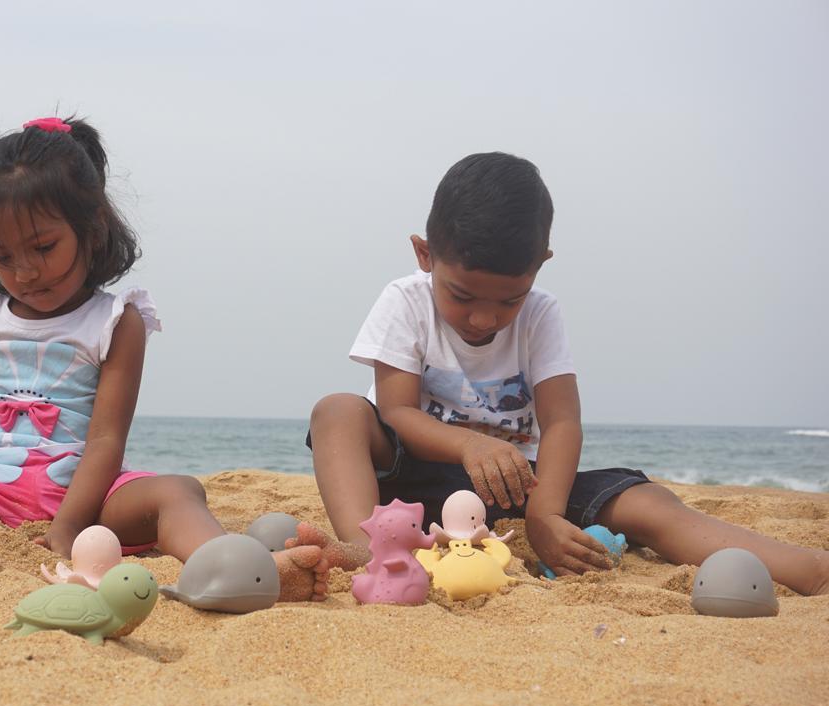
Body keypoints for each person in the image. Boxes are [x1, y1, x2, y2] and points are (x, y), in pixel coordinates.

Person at [0, 116, 328, 599]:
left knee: (178, 490)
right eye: (2, 255)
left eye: (43, 246)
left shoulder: (115, 321)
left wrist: (69, 524)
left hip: (90, 497)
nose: (25, 271)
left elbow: (107, 436)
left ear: (91, 229)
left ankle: (238, 568)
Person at [297, 152, 829, 595]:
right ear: (425, 254)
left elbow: (561, 423)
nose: (484, 318)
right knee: (337, 410)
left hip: (518, 488)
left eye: (509, 300)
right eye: (461, 297)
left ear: (540, 265)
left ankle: (809, 569)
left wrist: (545, 515)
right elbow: (395, 411)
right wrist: (468, 445)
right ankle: (372, 552)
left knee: (646, 500)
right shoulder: (404, 301)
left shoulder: (542, 314)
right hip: (412, 483)